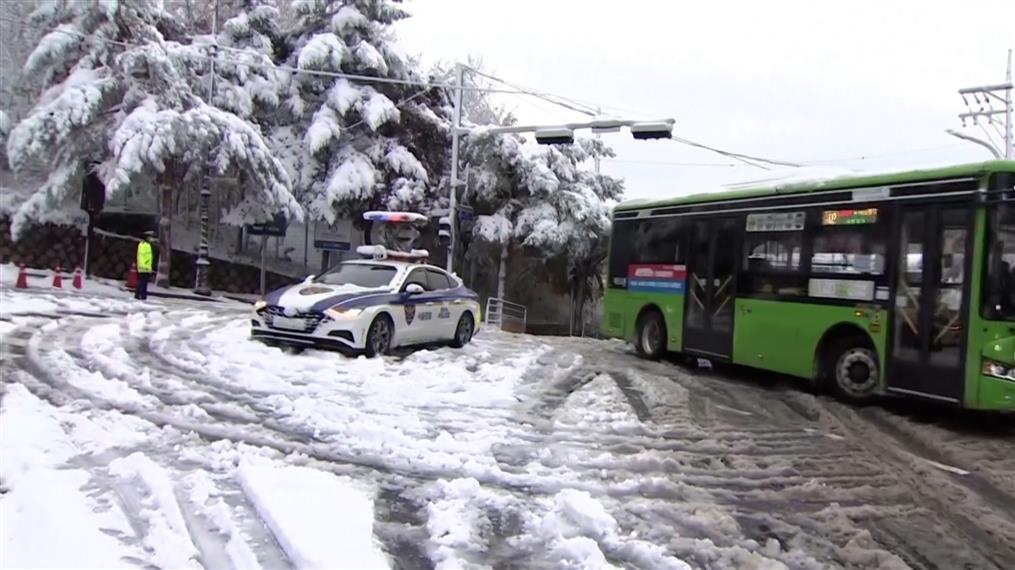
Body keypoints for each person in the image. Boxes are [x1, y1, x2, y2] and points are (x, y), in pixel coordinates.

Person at [135, 231, 155, 300]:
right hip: (145, 266)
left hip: (143, 266)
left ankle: (138, 294)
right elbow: (145, 257)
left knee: (142, 281)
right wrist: (147, 266)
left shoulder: (143, 244)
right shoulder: (145, 245)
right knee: (143, 282)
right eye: (149, 237)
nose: (150, 239)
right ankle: (142, 295)